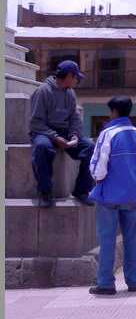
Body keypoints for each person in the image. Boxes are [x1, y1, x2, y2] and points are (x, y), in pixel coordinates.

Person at [87, 96, 136, 295]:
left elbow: (98, 167)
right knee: (131, 237)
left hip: (110, 196)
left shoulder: (108, 133)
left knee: (107, 239)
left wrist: (98, 179)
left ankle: (106, 283)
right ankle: (134, 281)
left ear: (114, 111)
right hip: (132, 196)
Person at [29, 60, 95, 208]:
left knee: (90, 146)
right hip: (44, 132)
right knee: (42, 147)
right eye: (76, 77)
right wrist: (55, 137)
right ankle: (45, 191)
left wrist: (74, 135)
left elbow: (74, 117)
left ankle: (82, 190)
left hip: (64, 132)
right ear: (69, 76)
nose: (77, 80)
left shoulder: (70, 93)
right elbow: (36, 122)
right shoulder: (43, 91)